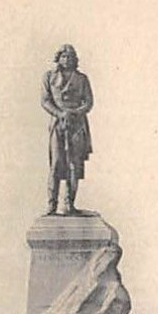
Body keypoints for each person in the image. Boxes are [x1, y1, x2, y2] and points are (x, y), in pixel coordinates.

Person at [40, 44, 94, 216]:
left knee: (74, 165)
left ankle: (69, 204)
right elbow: (45, 100)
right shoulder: (49, 77)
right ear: (58, 58)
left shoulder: (82, 79)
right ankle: (51, 204)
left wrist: (74, 113)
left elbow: (88, 102)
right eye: (63, 56)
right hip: (58, 124)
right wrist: (59, 113)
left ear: (75, 60)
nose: (67, 59)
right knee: (56, 163)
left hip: (77, 125)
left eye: (70, 57)